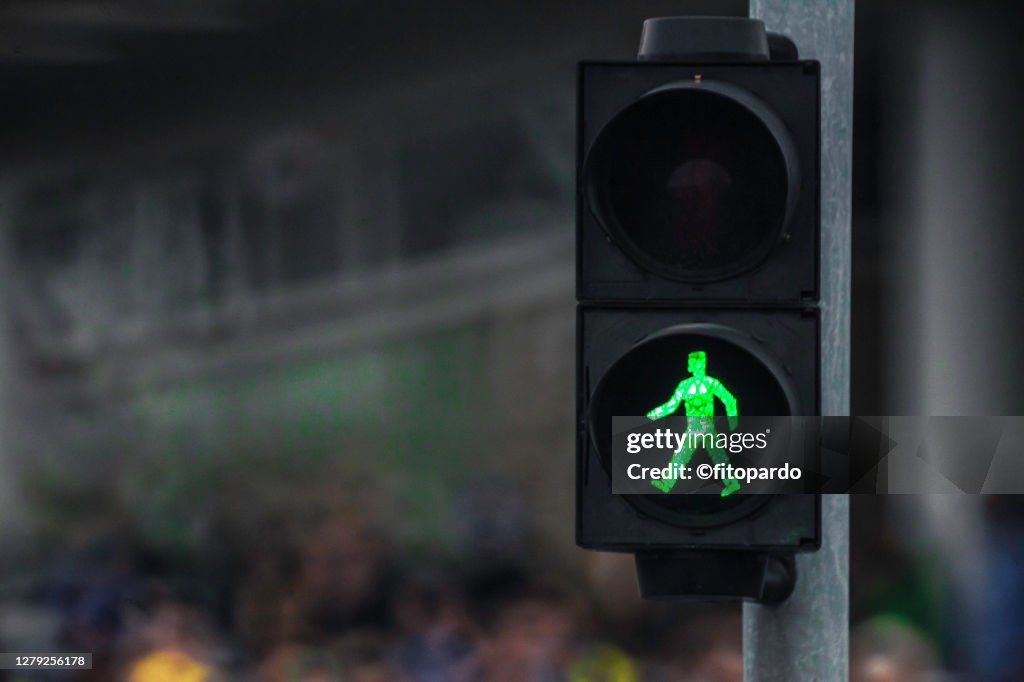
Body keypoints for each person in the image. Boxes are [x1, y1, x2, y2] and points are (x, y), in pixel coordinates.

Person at [646, 351, 740, 496]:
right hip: (701, 424)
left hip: (700, 424)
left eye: (698, 363)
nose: (697, 366)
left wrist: (733, 423)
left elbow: (730, 400)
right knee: (715, 454)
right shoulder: (704, 383)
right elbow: (671, 405)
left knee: (683, 453)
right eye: (695, 363)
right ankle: (732, 483)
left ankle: (666, 483)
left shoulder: (703, 384)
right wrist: (654, 414)